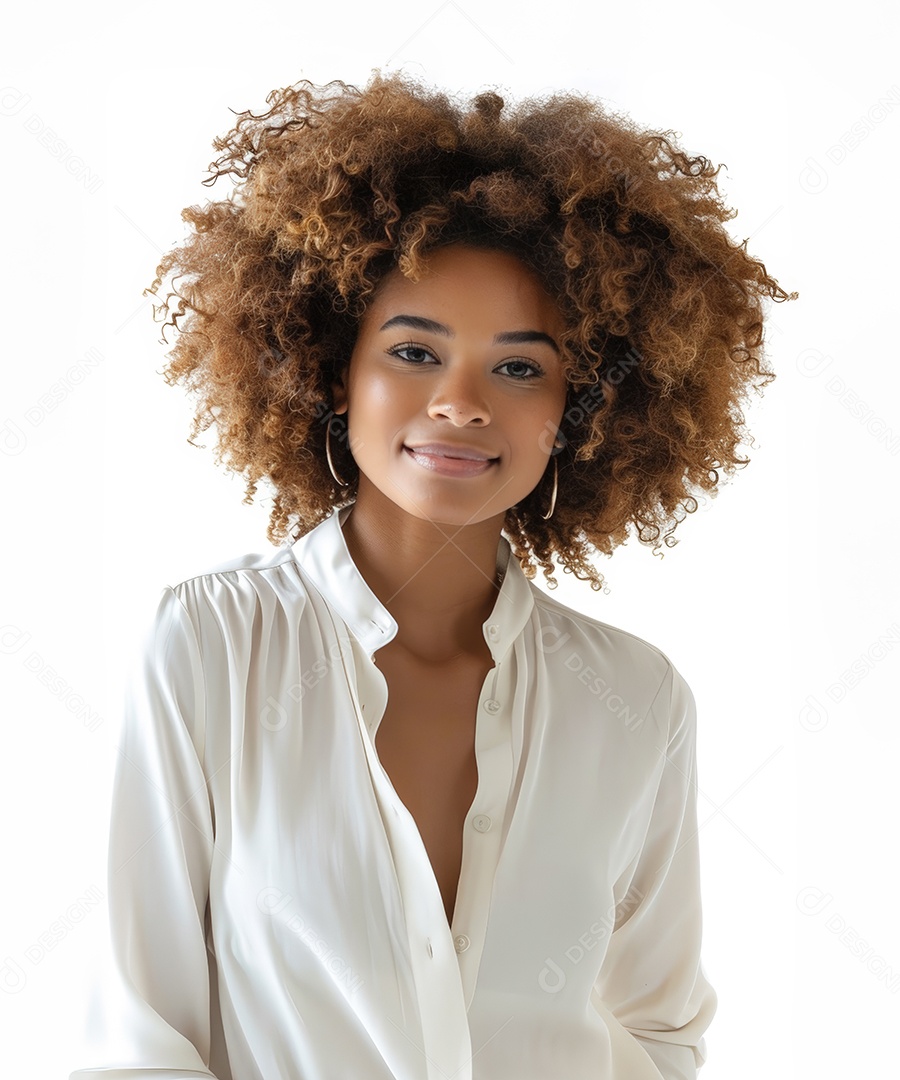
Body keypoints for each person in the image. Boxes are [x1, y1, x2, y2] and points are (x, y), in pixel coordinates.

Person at [69, 71, 796, 1080]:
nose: (459, 405)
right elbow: (143, 1041)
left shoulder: (634, 700)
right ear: (334, 366)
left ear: (577, 406)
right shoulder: (211, 646)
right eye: (414, 351)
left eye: (517, 367)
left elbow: (660, 1037)